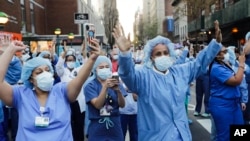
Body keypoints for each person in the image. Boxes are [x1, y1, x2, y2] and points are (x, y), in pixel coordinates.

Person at [112, 20, 222, 140]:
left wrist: (215, 43)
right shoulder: (143, 77)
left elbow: (199, 63)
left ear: (170, 54)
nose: (162, 56)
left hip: (182, 136)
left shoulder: (180, 72)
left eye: (165, 52)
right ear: (151, 57)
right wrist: (125, 54)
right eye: (158, 54)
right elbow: (127, 74)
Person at [0, 39, 100, 141]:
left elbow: (79, 79)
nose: (45, 74)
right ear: (30, 79)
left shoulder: (61, 91)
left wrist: (92, 59)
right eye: (39, 72)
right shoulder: (21, 95)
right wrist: (10, 50)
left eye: (47, 70)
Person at [84, 56, 126, 141]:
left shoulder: (115, 83)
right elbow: (98, 105)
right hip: (97, 127)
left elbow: (122, 105)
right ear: (95, 69)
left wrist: (118, 91)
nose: (105, 69)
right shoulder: (90, 86)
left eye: (107, 67)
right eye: (101, 67)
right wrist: (105, 87)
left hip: (115, 127)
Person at [209, 44, 246, 141]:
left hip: (234, 104)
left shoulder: (225, 65)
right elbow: (236, 80)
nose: (227, 54)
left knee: (240, 133)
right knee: (224, 136)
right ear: (217, 55)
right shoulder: (216, 68)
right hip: (222, 105)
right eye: (224, 52)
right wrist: (241, 64)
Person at [55, 48, 86, 141]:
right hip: (66, 101)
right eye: (68, 60)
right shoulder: (63, 72)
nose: (70, 62)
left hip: (79, 102)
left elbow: (86, 66)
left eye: (72, 60)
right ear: (66, 61)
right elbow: (58, 67)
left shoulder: (79, 70)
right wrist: (62, 56)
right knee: (68, 123)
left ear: (75, 61)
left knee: (79, 125)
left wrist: (84, 56)